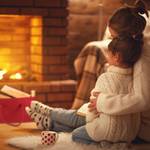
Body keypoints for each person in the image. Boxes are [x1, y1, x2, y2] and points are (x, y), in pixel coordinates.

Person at [26, 0, 149, 145]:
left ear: (126, 36)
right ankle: (50, 117)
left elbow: (142, 100)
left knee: (83, 121)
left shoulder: (143, 58)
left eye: (113, 37)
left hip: (138, 127)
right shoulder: (132, 50)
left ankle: (52, 121)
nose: (111, 42)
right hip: (118, 113)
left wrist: (101, 102)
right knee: (81, 115)